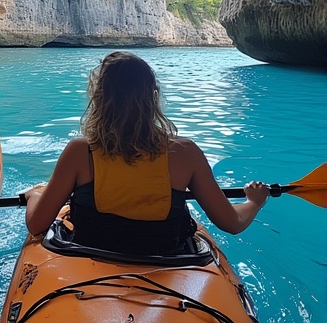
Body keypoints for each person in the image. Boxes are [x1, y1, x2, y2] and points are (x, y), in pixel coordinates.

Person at [23, 51, 269, 255]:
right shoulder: (185, 153)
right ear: (152, 97)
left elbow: (36, 225)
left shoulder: (80, 151)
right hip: (166, 261)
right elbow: (233, 223)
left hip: (90, 255)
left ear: (99, 99)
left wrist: (35, 195)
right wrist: (254, 202)